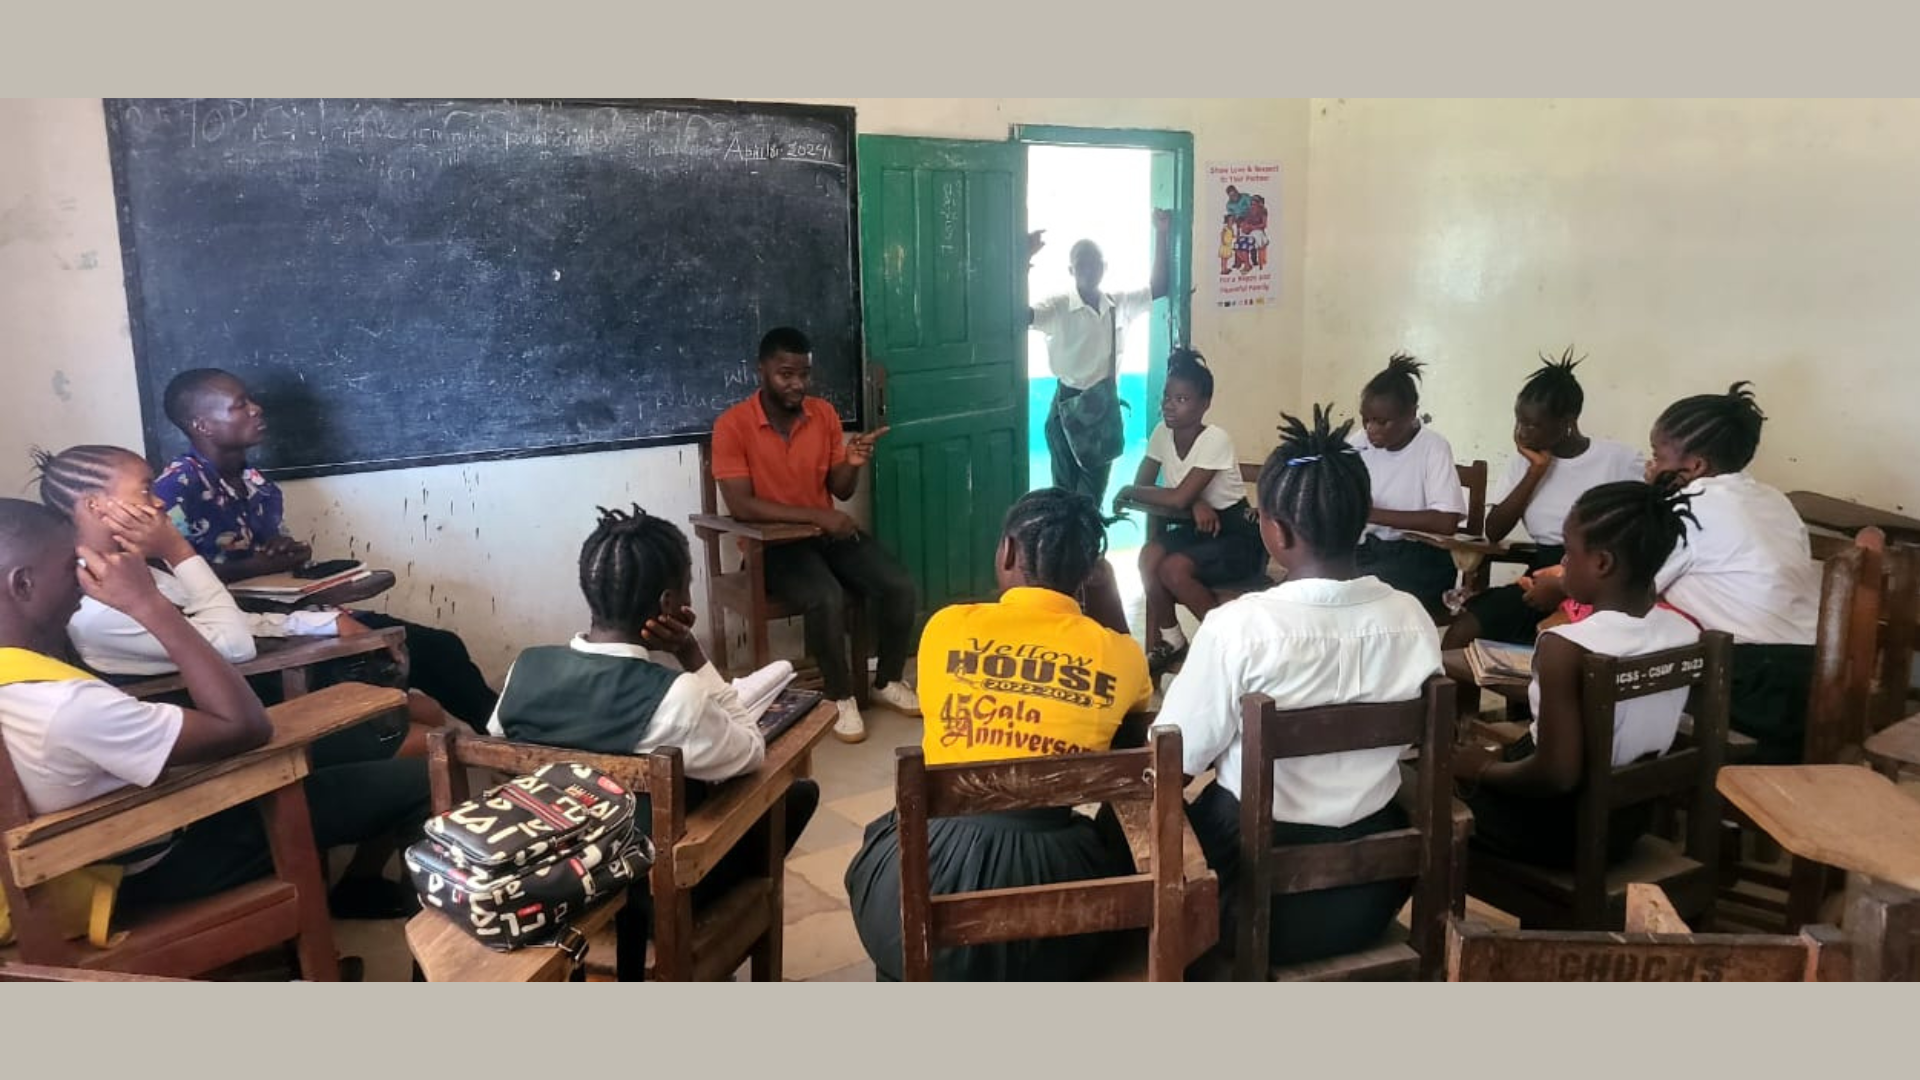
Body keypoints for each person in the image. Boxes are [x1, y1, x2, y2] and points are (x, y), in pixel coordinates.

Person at [0, 498, 428, 917]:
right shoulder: (63, 705)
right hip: (145, 868)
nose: (83, 578)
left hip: (75, 870)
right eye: (70, 567)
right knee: (424, 780)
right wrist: (148, 604)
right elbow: (245, 726)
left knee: (349, 750)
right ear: (23, 585)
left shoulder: (24, 684)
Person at [1155, 406, 1442, 968]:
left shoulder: (1241, 626)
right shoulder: (1412, 617)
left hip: (1257, 897)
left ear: (1275, 530)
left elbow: (1176, 759)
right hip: (1375, 888)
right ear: (1361, 518)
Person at [487, 505, 816, 981]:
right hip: (645, 894)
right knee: (796, 795)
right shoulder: (674, 695)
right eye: (686, 585)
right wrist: (691, 654)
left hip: (550, 884)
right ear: (669, 604)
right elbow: (750, 747)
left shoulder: (526, 667)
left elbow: (501, 745)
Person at [843, 488, 1151, 980]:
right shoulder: (1121, 656)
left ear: (1006, 552)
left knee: (900, 927)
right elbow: (1137, 716)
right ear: (1089, 572)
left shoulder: (946, 628)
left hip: (921, 880)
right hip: (1048, 899)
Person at [153, 369, 500, 733]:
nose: (256, 409)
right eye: (240, 405)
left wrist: (289, 553)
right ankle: (509, 738)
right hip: (251, 631)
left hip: (295, 611)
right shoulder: (175, 489)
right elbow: (173, 580)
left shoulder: (257, 484)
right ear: (203, 425)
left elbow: (271, 555)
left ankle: (507, 737)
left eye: (251, 400)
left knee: (441, 646)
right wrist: (251, 567)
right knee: (422, 653)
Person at [1453, 482, 1701, 867]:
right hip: (1626, 823)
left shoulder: (1566, 644)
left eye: (1569, 553)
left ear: (1602, 563)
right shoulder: (1686, 633)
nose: (1563, 565)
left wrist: (1483, 768)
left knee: (1422, 791)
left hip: (1556, 828)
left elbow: (1556, 774)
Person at [710, 327, 921, 744]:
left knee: (899, 585)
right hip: (771, 548)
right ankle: (839, 696)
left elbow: (840, 489)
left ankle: (887, 680)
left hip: (824, 536)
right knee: (826, 596)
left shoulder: (822, 414)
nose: (797, 384)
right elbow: (742, 506)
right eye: (786, 374)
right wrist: (819, 517)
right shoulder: (732, 425)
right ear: (761, 371)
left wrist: (853, 461)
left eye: (804, 374)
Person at [1647, 383, 1819, 764]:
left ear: (1694, 467)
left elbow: (1634, 587)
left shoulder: (1690, 506)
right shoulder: (1775, 500)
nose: (1652, 467)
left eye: (1657, 457)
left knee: (1618, 681)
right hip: (1813, 679)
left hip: (1751, 685)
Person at [1442, 350, 1644, 653]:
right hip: (1540, 576)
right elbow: (1495, 530)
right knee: (1463, 630)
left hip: (1600, 579)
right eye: (1518, 421)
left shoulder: (1619, 460)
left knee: (1555, 644)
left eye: (1532, 425)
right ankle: (1450, 701)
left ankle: (1532, 698)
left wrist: (1566, 583)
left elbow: (1639, 534)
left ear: (1568, 422)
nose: (1521, 432)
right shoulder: (1522, 464)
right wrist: (1536, 471)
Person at [1114, 349, 1264, 678]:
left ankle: (1225, 649)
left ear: (1204, 404)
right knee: (1148, 557)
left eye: (1181, 399)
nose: (1169, 405)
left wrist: (1185, 498)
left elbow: (1169, 495)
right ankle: (1172, 638)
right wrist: (1192, 501)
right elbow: (1144, 486)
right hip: (1193, 527)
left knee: (1173, 569)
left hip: (1236, 534)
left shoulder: (1216, 439)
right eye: (1167, 396)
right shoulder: (1161, 434)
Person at [1026, 210, 1173, 501]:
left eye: (1095, 264)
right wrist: (1023, 262)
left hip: (1102, 406)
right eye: (1082, 265)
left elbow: (1159, 287)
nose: (1089, 270)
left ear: (1104, 267)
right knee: (1064, 494)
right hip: (1065, 404)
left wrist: (1162, 233)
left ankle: (1087, 544)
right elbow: (1022, 315)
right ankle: (1069, 545)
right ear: (1071, 270)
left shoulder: (1118, 304)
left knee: (1091, 496)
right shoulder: (1057, 307)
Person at [1350, 354, 1467, 615]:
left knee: (1364, 594)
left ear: (1411, 414)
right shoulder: (1357, 443)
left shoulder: (1433, 447)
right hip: (1370, 549)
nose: (1371, 429)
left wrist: (1371, 513)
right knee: (1318, 580)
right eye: (1365, 418)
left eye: (1382, 421)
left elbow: (1446, 521)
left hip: (1421, 558)